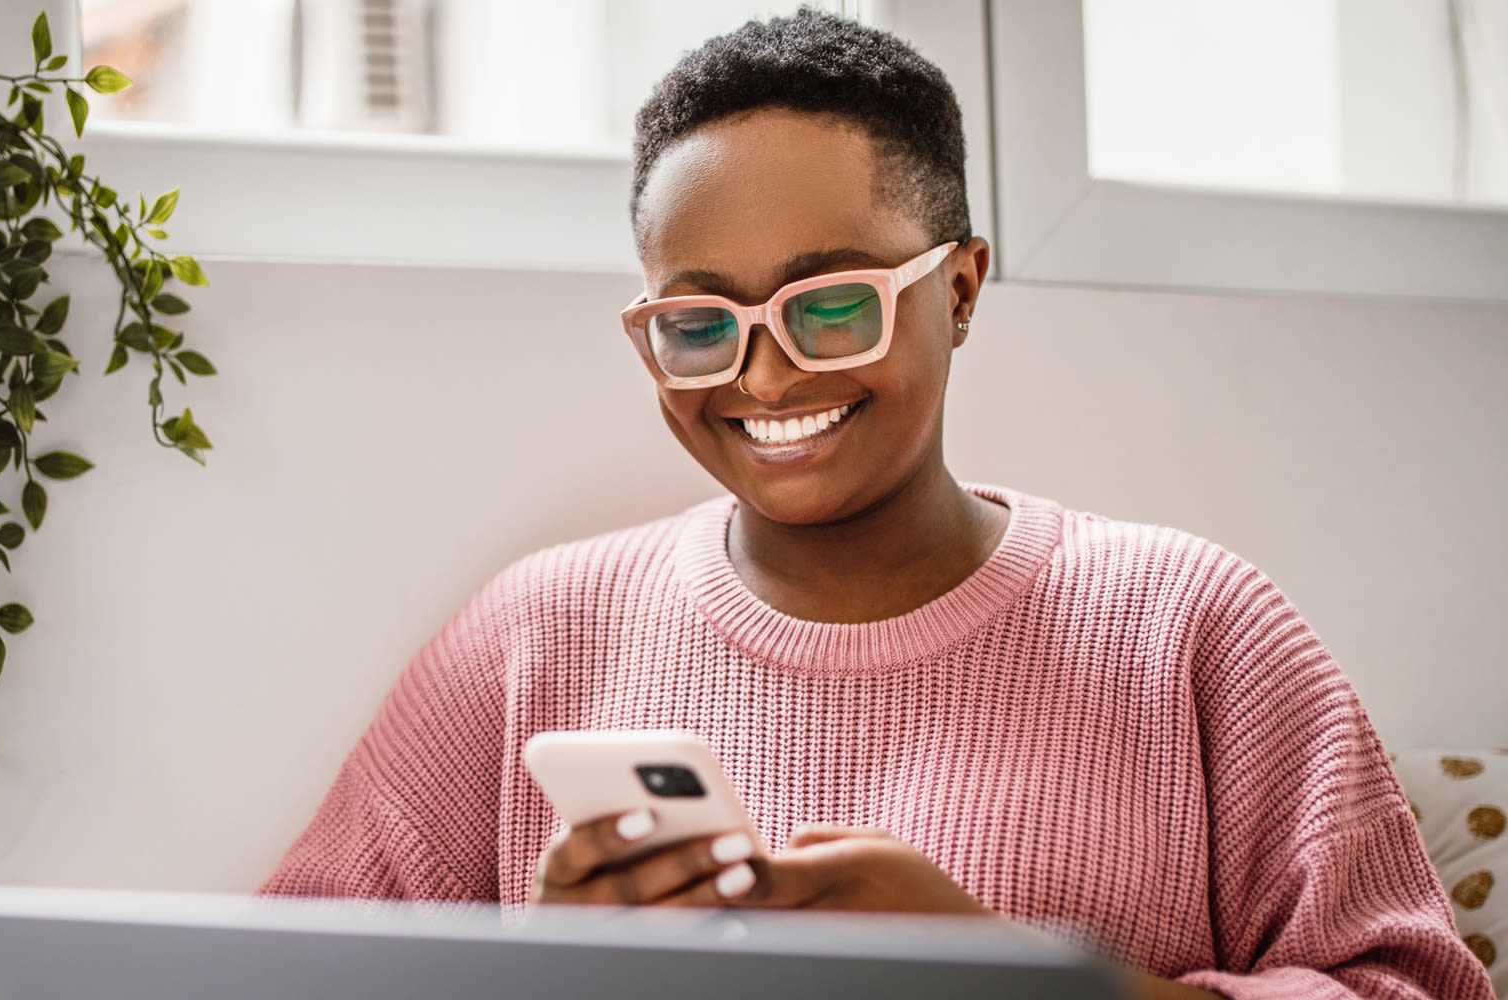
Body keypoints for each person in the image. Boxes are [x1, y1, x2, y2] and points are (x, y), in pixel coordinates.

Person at [254, 8, 1493, 999]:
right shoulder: (536, 633)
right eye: (697, 324)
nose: (763, 375)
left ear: (956, 289)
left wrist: (1015, 981)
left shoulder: (1193, 629)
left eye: (829, 303)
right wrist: (545, 977)